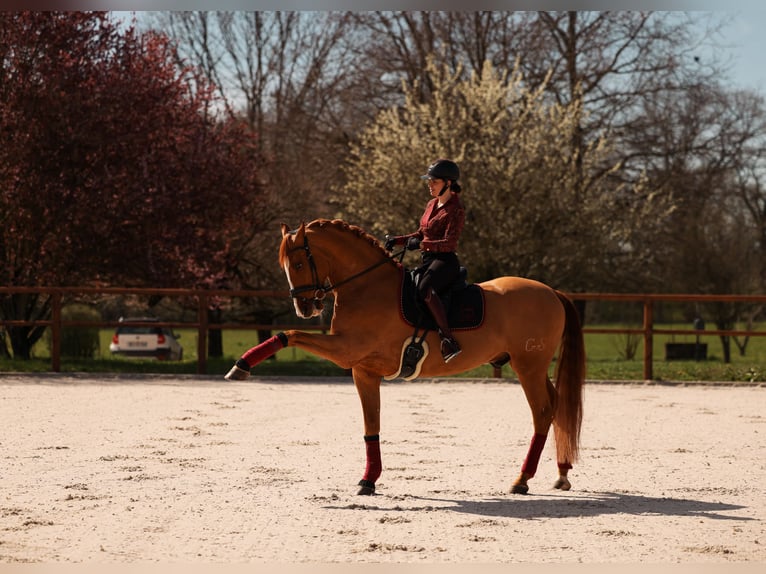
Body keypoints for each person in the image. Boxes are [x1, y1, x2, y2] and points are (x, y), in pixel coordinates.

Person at [385, 159, 465, 363]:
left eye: (434, 181)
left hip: (445, 261)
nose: (429, 185)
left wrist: (422, 246)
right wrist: (399, 240)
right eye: (429, 181)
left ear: (448, 183)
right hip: (428, 259)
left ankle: (448, 339)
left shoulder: (455, 208)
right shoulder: (432, 204)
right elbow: (422, 233)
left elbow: (449, 243)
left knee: (424, 289)